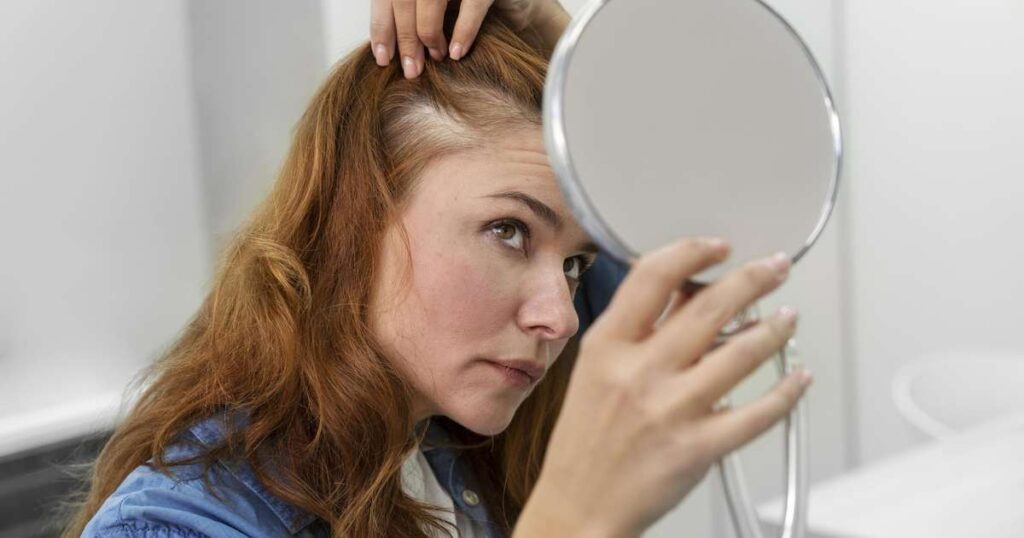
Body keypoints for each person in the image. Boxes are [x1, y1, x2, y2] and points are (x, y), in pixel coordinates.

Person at [66, 2, 811, 536]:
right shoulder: (180, 523)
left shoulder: (448, 433)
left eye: (577, 264)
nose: (560, 318)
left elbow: (690, 219)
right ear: (357, 218)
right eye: (508, 232)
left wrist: (559, 38)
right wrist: (572, 520)